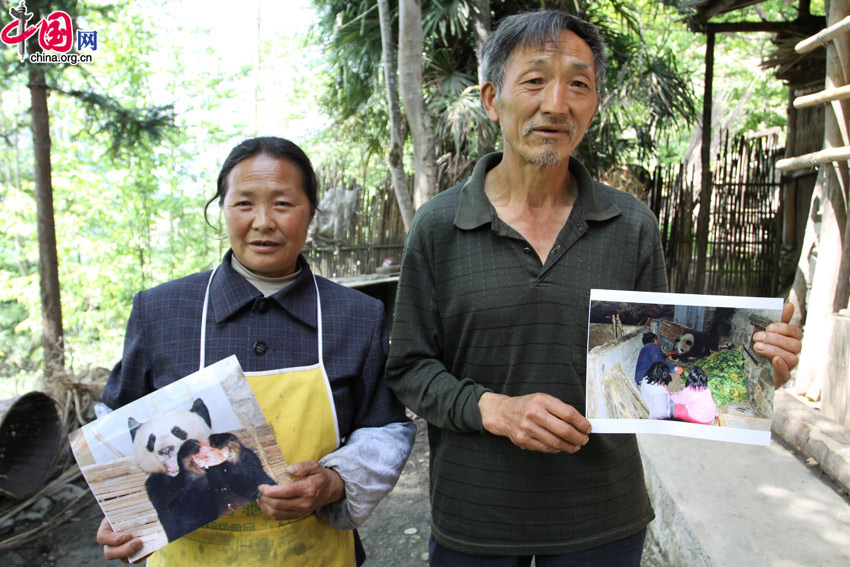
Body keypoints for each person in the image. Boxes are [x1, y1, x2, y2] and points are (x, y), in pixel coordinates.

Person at [384, 10, 803, 566]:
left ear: (594, 105)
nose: (556, 103)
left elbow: (657, 362)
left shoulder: (630, 225)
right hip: (476, 518)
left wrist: (747, 371)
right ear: (491, 99)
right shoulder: (438, 226)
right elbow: (410, 367)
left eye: (578, 84)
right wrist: (494, 409)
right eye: (534, 80)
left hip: (601, 518)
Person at [96, 136, 415, 566]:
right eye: (244, 203)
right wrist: (120, 512)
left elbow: (385, 429)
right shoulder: (162, 311)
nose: (263, 221)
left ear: (311, 213)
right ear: (222, 209)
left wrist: (334, 482)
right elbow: (113, 426)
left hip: (313, 553)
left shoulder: (356, 315)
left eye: (283, 204)